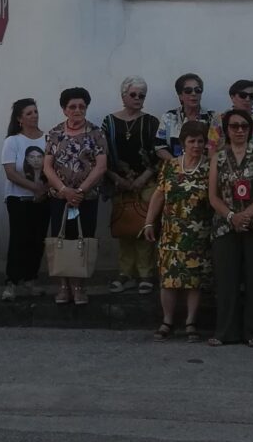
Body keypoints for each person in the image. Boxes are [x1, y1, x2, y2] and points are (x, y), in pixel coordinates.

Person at [206, 110, 253, 347]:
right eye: (234, 126)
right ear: (226, 129)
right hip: (225, 226)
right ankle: (225, 331)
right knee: (226, 280)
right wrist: (232, 216)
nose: (239, 130)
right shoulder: (218, 157)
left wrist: (245, 215)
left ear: (250, 129)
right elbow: (213, 196)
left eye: (244, 126)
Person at [144, 121, 212, 342]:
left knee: (194, 279)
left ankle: (191, 322)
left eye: (200, 141)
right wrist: (148, 222)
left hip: (198, 231)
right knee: (169, 278)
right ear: (183, 143)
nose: (196, 145)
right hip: (171, 230)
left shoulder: (210, 167)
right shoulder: (170, 165)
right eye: (192, 141)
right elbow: (159, 194)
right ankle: (167, 321)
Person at [43, 88, 107, 306]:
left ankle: (79, 287)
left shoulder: (96, 133)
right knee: (61, 240)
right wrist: (64, 190)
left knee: (82, 240)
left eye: (81, 106)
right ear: (64, 110)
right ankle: (63, 286)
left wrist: (80, 191)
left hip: (85, 199)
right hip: (59, 197)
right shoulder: (54, 133)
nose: (77, 110)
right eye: (72, 106)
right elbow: (47, 167)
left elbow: (101, 166)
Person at [102, 77, 160, 295]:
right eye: (134, 94)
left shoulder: (151, 122)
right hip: (119, 183)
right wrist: (118, 179)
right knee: (124, 228)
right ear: (123, 95)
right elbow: (102, 154)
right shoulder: (109, 121)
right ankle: (125, 274)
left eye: (142, 95)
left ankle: (146, 274)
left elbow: (157, 153)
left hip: (146, 182)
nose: (138, 99)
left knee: (145, 227)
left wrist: (142, 178)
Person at [1, 99, 47, 301]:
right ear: (20, 118)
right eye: (28, 113)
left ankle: (31, 279)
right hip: (19, 198)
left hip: (43, 199)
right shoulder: (13, 141)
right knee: (19, 240)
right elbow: (10, 172)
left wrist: (44, 190)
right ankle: (11, 281)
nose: (34, 115)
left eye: (35, 111)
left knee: (38, 241)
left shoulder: (48, 139)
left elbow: (52, 169)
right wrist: (34, 187)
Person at [155, 74, 217, 160]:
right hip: (174, 167)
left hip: (204, 168)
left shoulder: (212, 117)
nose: (194, 94)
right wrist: (177, 165)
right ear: (180, 95)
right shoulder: (168, 117)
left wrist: (202, 168)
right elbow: (159, 147)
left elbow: (214, 146)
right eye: (188, 91)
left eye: (197, 90)